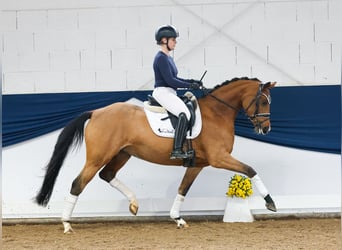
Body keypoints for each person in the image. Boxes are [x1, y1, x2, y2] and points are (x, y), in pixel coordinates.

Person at [152, 25, 202, 159]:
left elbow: (175, 78)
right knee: (184, 112)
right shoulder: (161, 58)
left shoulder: (169, 58)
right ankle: (177, 149)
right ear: (164, 40)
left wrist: (192, 81)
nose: (175, 42)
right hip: (163, 92)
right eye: (173, 39)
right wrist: (190, 85)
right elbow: (170, 81)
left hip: (169, 92)